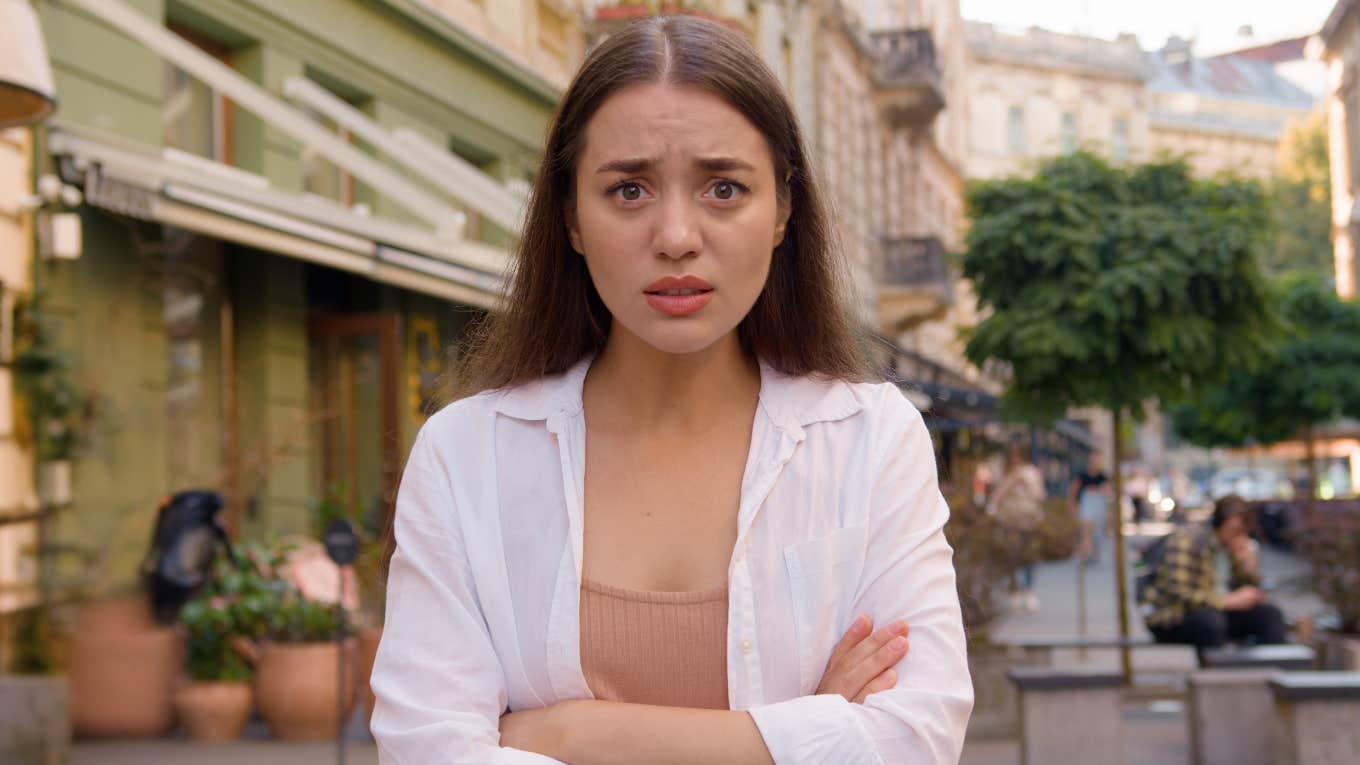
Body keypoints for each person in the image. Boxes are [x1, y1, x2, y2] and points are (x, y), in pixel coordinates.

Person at [369, 15, 972, 765]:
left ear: (784, 210)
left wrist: (575, 733)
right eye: (628, 189)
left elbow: (913, 742)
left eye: (725, 187)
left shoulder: (871, 439)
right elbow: (427, 751)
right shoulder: (465, 456)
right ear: (571, 218)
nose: (677, 234)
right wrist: (803, 729)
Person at [1142, 495, 1287, 662]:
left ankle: (1271, 671)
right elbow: (1179, 593)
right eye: (1234, 529)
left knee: (1270, 614)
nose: (1238, 534)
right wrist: (1226, 601)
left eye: (1243, 530)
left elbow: (1244, 589)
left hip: (1217, 612)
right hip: (1174, 616)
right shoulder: (1188, 540)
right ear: (1219, 522)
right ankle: (1215, 678)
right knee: (1210, 622)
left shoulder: (1232, 546)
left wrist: (1248, 566)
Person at [987, 443, 1045, 612]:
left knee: (1029, 556)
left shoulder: (1031, 473)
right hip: (1010, 522)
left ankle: (1028, 590)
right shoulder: (1004, 475)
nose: (1015, 461)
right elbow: (996, 498)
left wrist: (1025, 485)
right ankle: (1015, 591)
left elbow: (1040, 495)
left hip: (1028, 521)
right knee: (1012, 557)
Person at [1068, 454, 1111, 565]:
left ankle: (1093, 553)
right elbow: (1074, 489)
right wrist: (1073, 505)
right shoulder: (1083, 475)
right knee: (1086, 530)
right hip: (1087, 505)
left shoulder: (1103, 476)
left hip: (1099, 505)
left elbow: (1108, 492)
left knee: (1097, 531)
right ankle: (1086, 553)